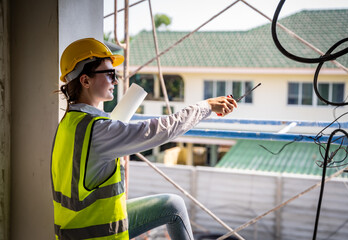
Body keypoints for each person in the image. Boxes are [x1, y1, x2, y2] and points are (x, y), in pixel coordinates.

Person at [51, 38, 237, 240]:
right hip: (99, 234)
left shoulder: (69, 124)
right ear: (85, 81)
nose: (115, 81)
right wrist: (206, 106)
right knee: (173, 207)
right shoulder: (98, 130)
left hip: (77, 228)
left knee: (172, 205)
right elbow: (160, 130)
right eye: (110, 74)